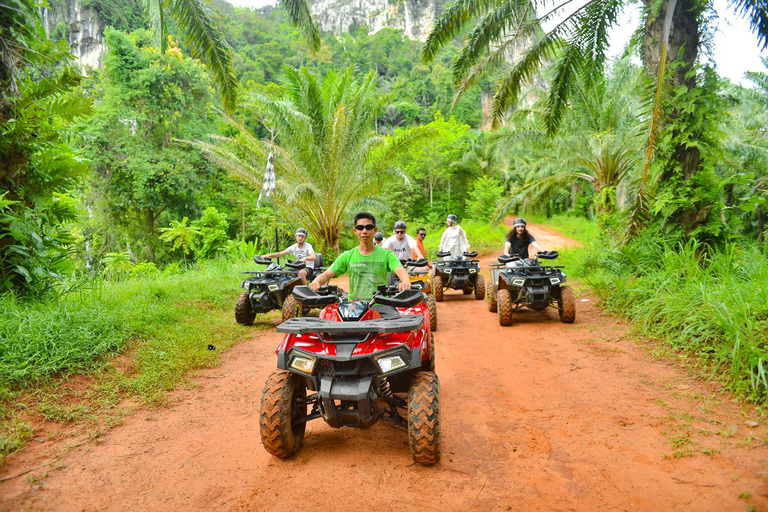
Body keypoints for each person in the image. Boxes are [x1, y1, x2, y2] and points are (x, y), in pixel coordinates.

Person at [310, 212, 411, 300]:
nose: (364, 231)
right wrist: (316, 282)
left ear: (375, 230)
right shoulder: (347, 255)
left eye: (369, 227)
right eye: (360, 228)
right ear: (355, 231)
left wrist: (405, 281)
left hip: (381, 305)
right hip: (353, 306)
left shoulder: (387, 255)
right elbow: (327, 274)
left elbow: (400, 270)